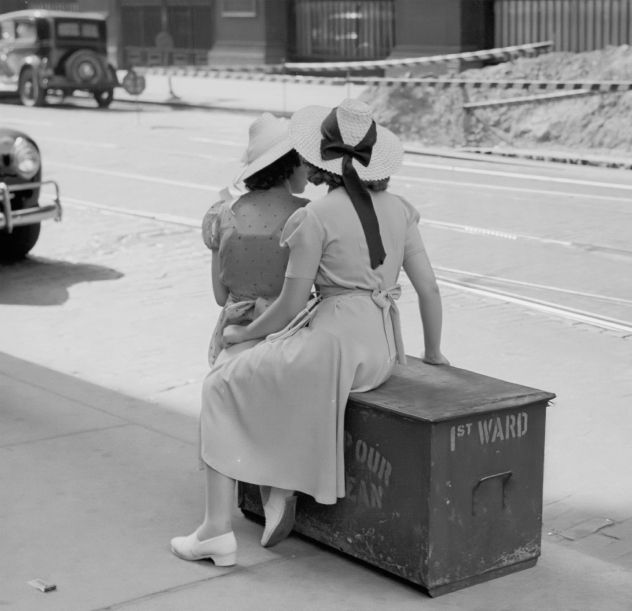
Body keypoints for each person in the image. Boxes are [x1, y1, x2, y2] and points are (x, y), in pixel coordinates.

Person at [171, 99, 449, 566]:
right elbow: (429, 289)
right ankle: (276, 482)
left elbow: (288, 308)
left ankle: (216, 529)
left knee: (221, 384)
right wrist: (435, 353)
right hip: (382, 353)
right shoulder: (402, 210)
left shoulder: (315, 218)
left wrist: (242, 335)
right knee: (275, 371)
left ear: (322, 162)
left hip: (335, 347)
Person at [202, 112, 309, 366]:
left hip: (233, 338)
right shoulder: (306, 215)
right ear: (290, 165)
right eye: (304, 160)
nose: (308, 168)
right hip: (288, 335)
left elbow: (220, 296)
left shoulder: (222, 213)